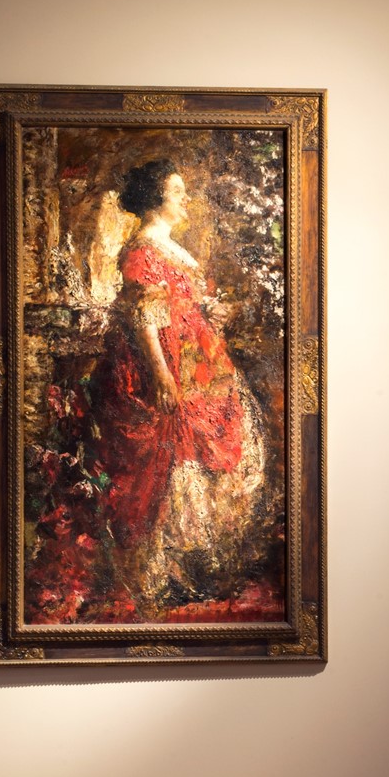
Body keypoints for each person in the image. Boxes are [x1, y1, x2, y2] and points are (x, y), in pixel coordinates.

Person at [90, 156, 265, 613]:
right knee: (174, 453)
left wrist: (210, 313)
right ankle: (165, 575)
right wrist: (163, 376)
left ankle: (200, 567)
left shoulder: (174, 250)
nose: (186, 198)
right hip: (166, 364)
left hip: (198, 361)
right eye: (177, 191)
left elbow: (186, 305)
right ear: (155, 199)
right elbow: (146, 319)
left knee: (219, 443)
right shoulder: (142, 252)